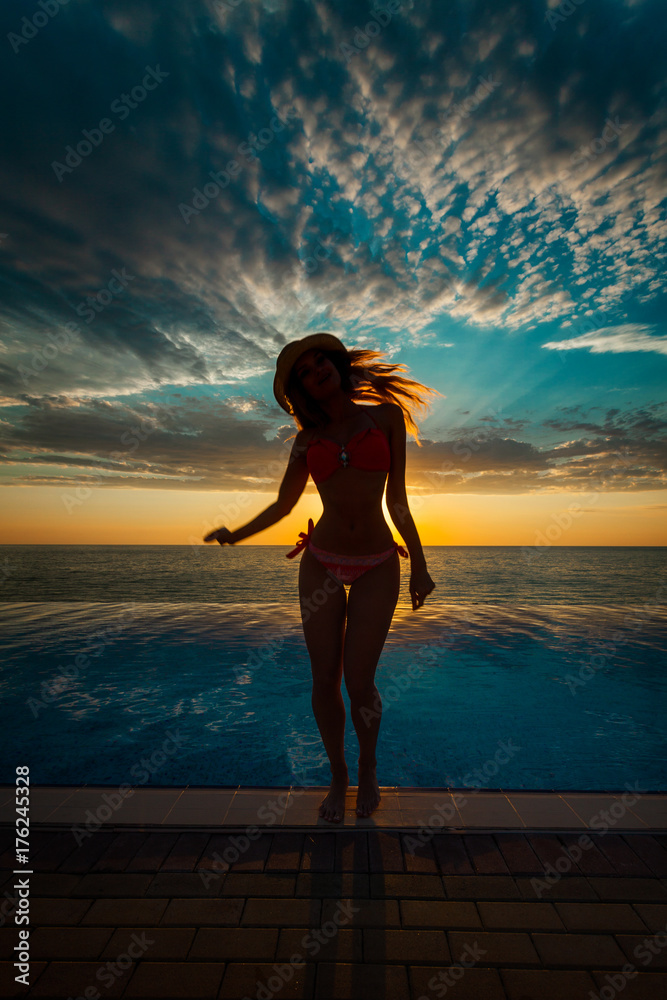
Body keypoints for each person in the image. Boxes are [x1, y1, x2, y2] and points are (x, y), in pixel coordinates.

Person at [204, 333, 438, 823]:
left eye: (320, 362)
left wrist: (419, 562)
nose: (317, 372)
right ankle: (338, 776)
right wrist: (237, 533)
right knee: (323, 679)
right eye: (305, 372)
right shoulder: (305, 442)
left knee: (360, 682)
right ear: (303, 390)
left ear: (335, 365)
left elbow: (398, 499)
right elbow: (284, 505)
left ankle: (369, 768)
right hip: (322, 561)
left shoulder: (386, 418)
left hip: (378, 562)